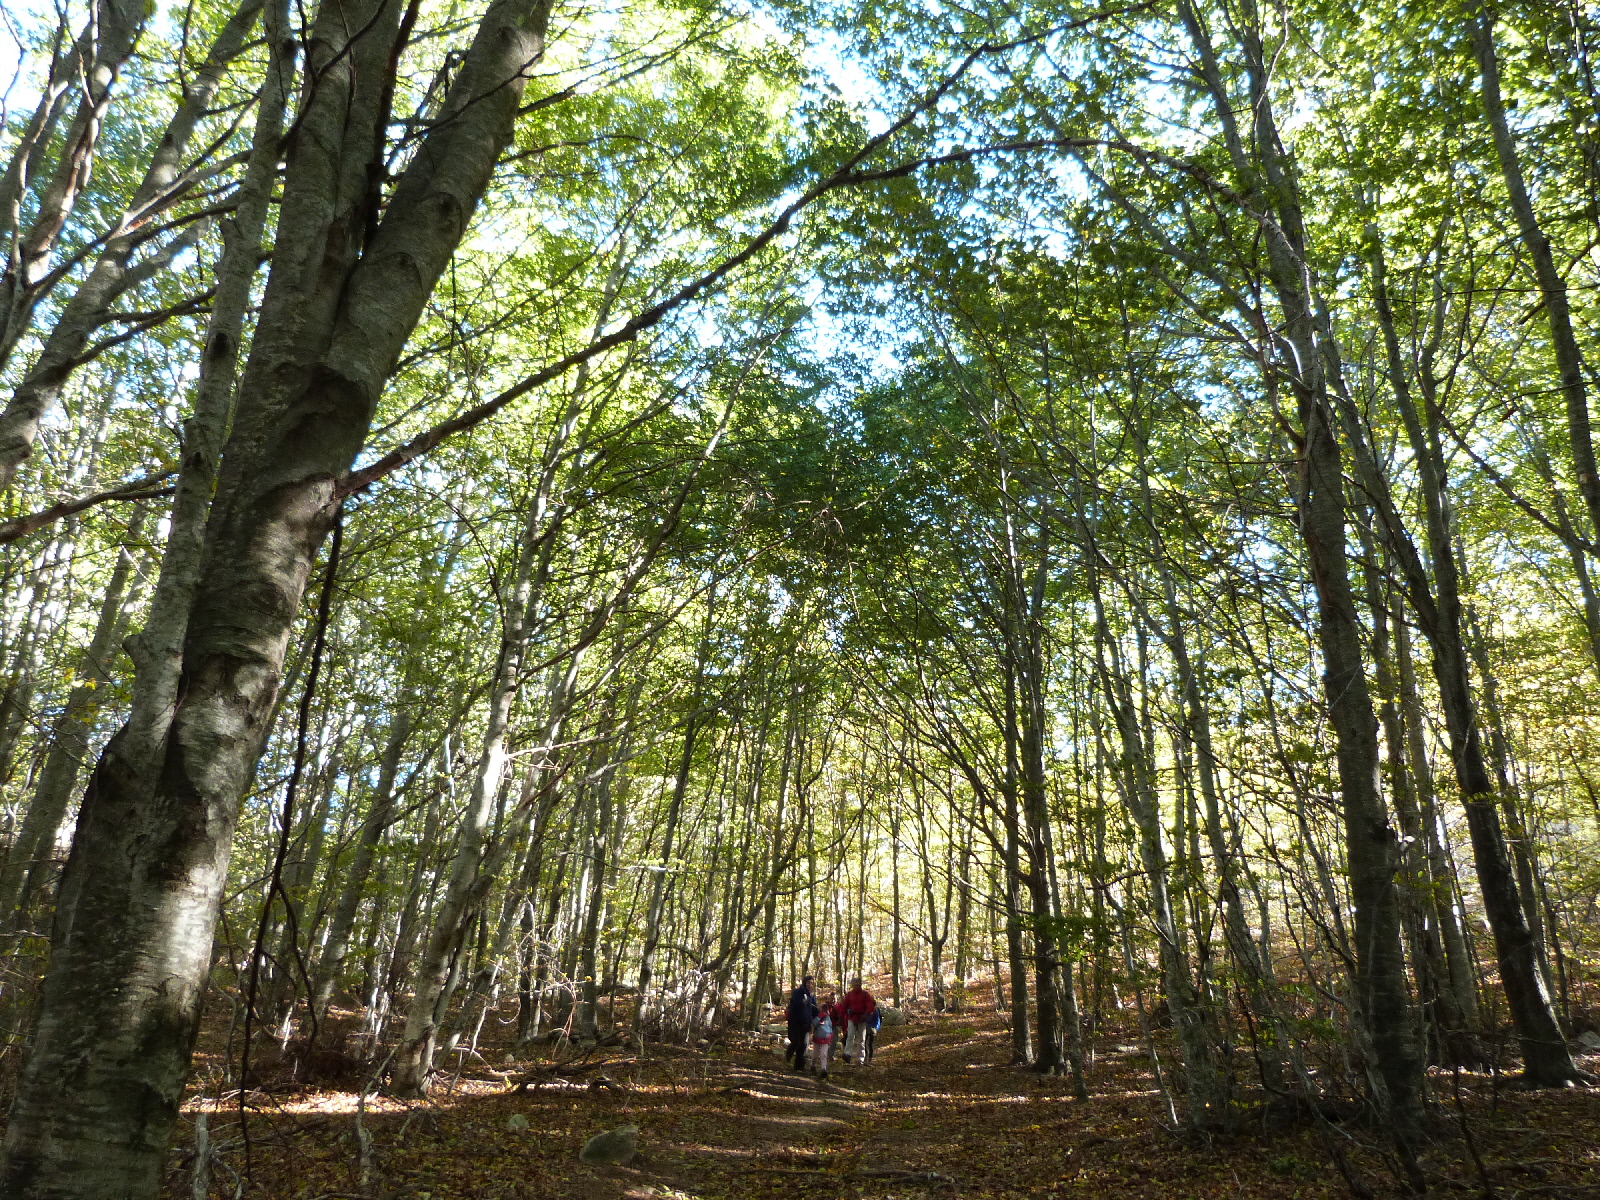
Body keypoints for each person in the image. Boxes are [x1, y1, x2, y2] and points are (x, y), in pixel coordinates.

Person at [842, 976, 877, 1067]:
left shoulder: (865, 994)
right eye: (855, 984)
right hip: (852, 1018)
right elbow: (844, 1006)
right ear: (852, 985)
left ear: (861, 984)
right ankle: (847, 1054)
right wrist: (841, 1017)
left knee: (861, 1039)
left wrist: (866, 1014)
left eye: (858, 984)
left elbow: (870, 1006)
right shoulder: (849, 995)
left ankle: (860, 1059)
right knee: (850, 1036)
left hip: (862, 1019)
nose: (857, 986)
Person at [784, 975, 817, 1071]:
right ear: (804, 983)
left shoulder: (811, 996)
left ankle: (799, 1066)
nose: (810, 985)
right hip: (795, 1021)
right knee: (796, 1041)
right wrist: (803, 1002)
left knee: (803, 1045)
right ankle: (789, 1053)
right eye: (808, 983)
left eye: (811, 983)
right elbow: (795, 1004)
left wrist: (820, 1016)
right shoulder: (797, 992)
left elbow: (814, 1010)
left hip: (806, 1023)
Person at [811, 991, 838, 1078]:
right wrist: (819, 1017)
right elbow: (814, 1023)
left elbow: (830, 1026)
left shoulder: (828, 1018)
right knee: (815, 1054)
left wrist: (830, 1034)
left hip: (825, 1039)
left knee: (823, 1054)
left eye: (825, 1009)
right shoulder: (817, 1017)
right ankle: (812, 1065)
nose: (824, 1010)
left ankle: (823, 1069)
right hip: (817, 1038)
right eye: (822, 1008)